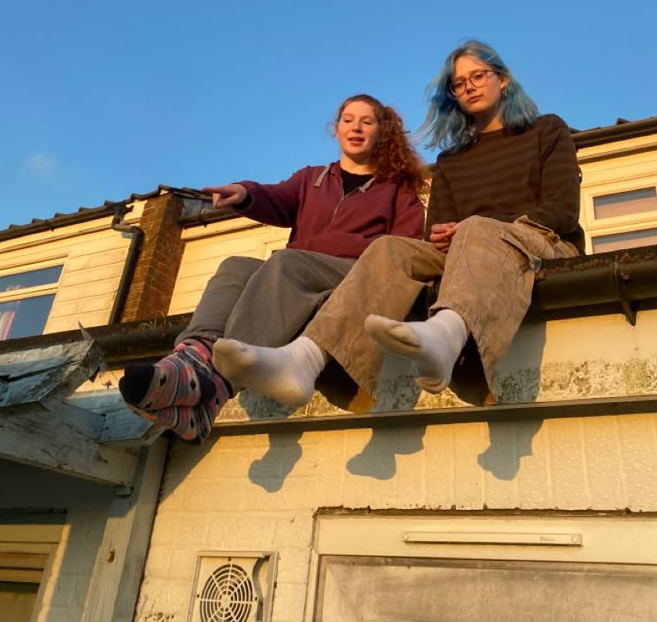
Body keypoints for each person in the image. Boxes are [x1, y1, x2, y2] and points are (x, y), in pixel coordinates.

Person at [212, 40, 584, 409]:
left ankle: (446, 335)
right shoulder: (452, 159)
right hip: (465, 250)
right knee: (389, 247)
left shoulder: (547, 130)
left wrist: (477, 225)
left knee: (477, 228)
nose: (468, 86)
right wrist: (441, 235)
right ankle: (304, 361)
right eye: (458, 83)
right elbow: (432, 231)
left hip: (541, 243)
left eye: (478, 75)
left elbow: (563, 209)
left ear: (502, 80)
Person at [119, 94, 426, 441]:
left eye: (367, 121)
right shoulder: (312, 178)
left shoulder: (398, 190)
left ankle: (214, 379)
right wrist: (245, 193)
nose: (356, 127)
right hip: (299, 271)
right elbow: (276, 197)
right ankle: (195, 360)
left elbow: (403, 251)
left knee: (286, 260)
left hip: (355, 277)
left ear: (382, 132)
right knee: (236, 267)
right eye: (348, 119)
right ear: (336, 128)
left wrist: (326, 245)